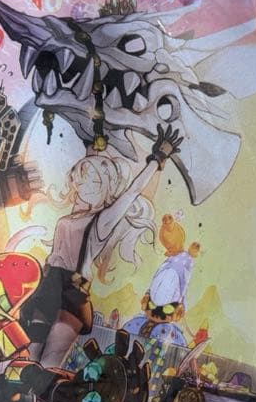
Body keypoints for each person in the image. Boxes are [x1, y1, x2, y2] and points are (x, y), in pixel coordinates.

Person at [22, 125, 182, 367]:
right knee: (26, 360)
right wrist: (94, 137)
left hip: (72, 292)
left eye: (94, 182)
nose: (84, 186)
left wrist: (157, 158)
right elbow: (89, 165)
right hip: (48, 286)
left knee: (48, 364)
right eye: (81, 180)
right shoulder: (74, 213)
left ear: (106, 185)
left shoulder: (102, 221)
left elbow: (132, 192)